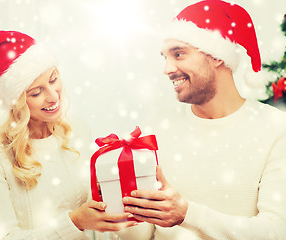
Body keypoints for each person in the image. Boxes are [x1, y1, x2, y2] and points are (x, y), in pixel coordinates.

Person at [116, 0, 286, 239]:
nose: (167, 68)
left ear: (217, 56)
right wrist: (119, 204)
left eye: (178, 54)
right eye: (165, 57)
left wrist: (187, 214)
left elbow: (275, 232)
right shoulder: (157, 127)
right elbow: (141, 234)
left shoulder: (275, 129)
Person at [0, 31, 136, 240]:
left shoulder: (76, 130)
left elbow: (92, 213)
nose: (53, 96)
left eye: (54, 79)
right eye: (36, 93)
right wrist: (74, 223)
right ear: (14, 102)